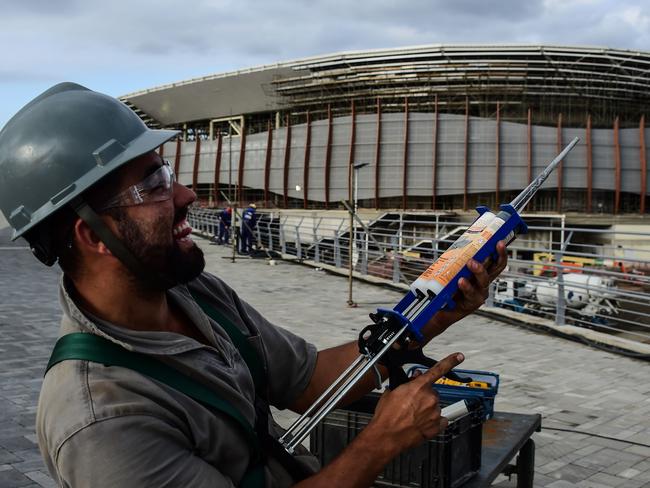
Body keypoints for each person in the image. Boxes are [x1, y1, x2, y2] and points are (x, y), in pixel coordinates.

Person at [0, 83, 507, 488]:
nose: (185, 194)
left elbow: (310, 381)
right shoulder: (103, 425)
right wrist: (380, 442)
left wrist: (438, 310)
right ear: (94, 236)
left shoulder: (195, 295)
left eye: (167, 172)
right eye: (153, 186)